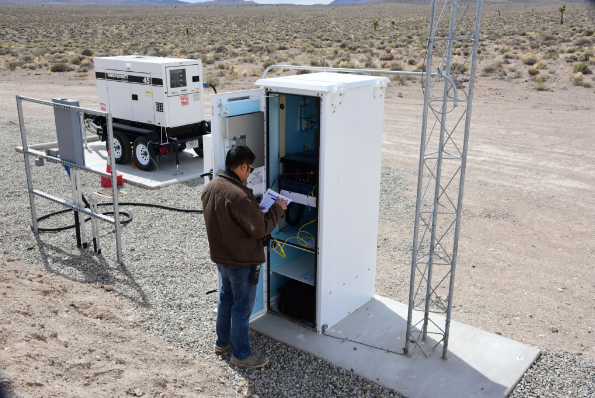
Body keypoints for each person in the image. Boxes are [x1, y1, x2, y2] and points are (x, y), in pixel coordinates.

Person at [201, 145, 287, 368]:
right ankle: (241, 356)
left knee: (226, 300)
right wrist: (277, 208)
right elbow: (260, 229)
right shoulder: (238, 195)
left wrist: (253, 210)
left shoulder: (211, 187)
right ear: (242, 166)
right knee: (241, 308)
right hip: (242, 262)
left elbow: (232, 221)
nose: (250, 174)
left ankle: (222, 343)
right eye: (249, 169)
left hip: (222, 259)